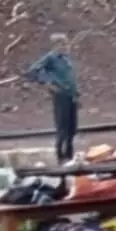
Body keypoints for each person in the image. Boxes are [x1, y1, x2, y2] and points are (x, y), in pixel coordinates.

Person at [26, 33, 79, 163]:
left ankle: (69, 154)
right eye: (63, 44)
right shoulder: (51, 58)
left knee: (72, 127)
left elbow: (69, 77)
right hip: (60, 95)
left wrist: (76, 92)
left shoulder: (66, 59)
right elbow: (33, 70)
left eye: (67, 43)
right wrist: (47, 82)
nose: (67, 46)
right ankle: (60, 155)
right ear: (57, 45)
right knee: (62, 126)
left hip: (70, 95)